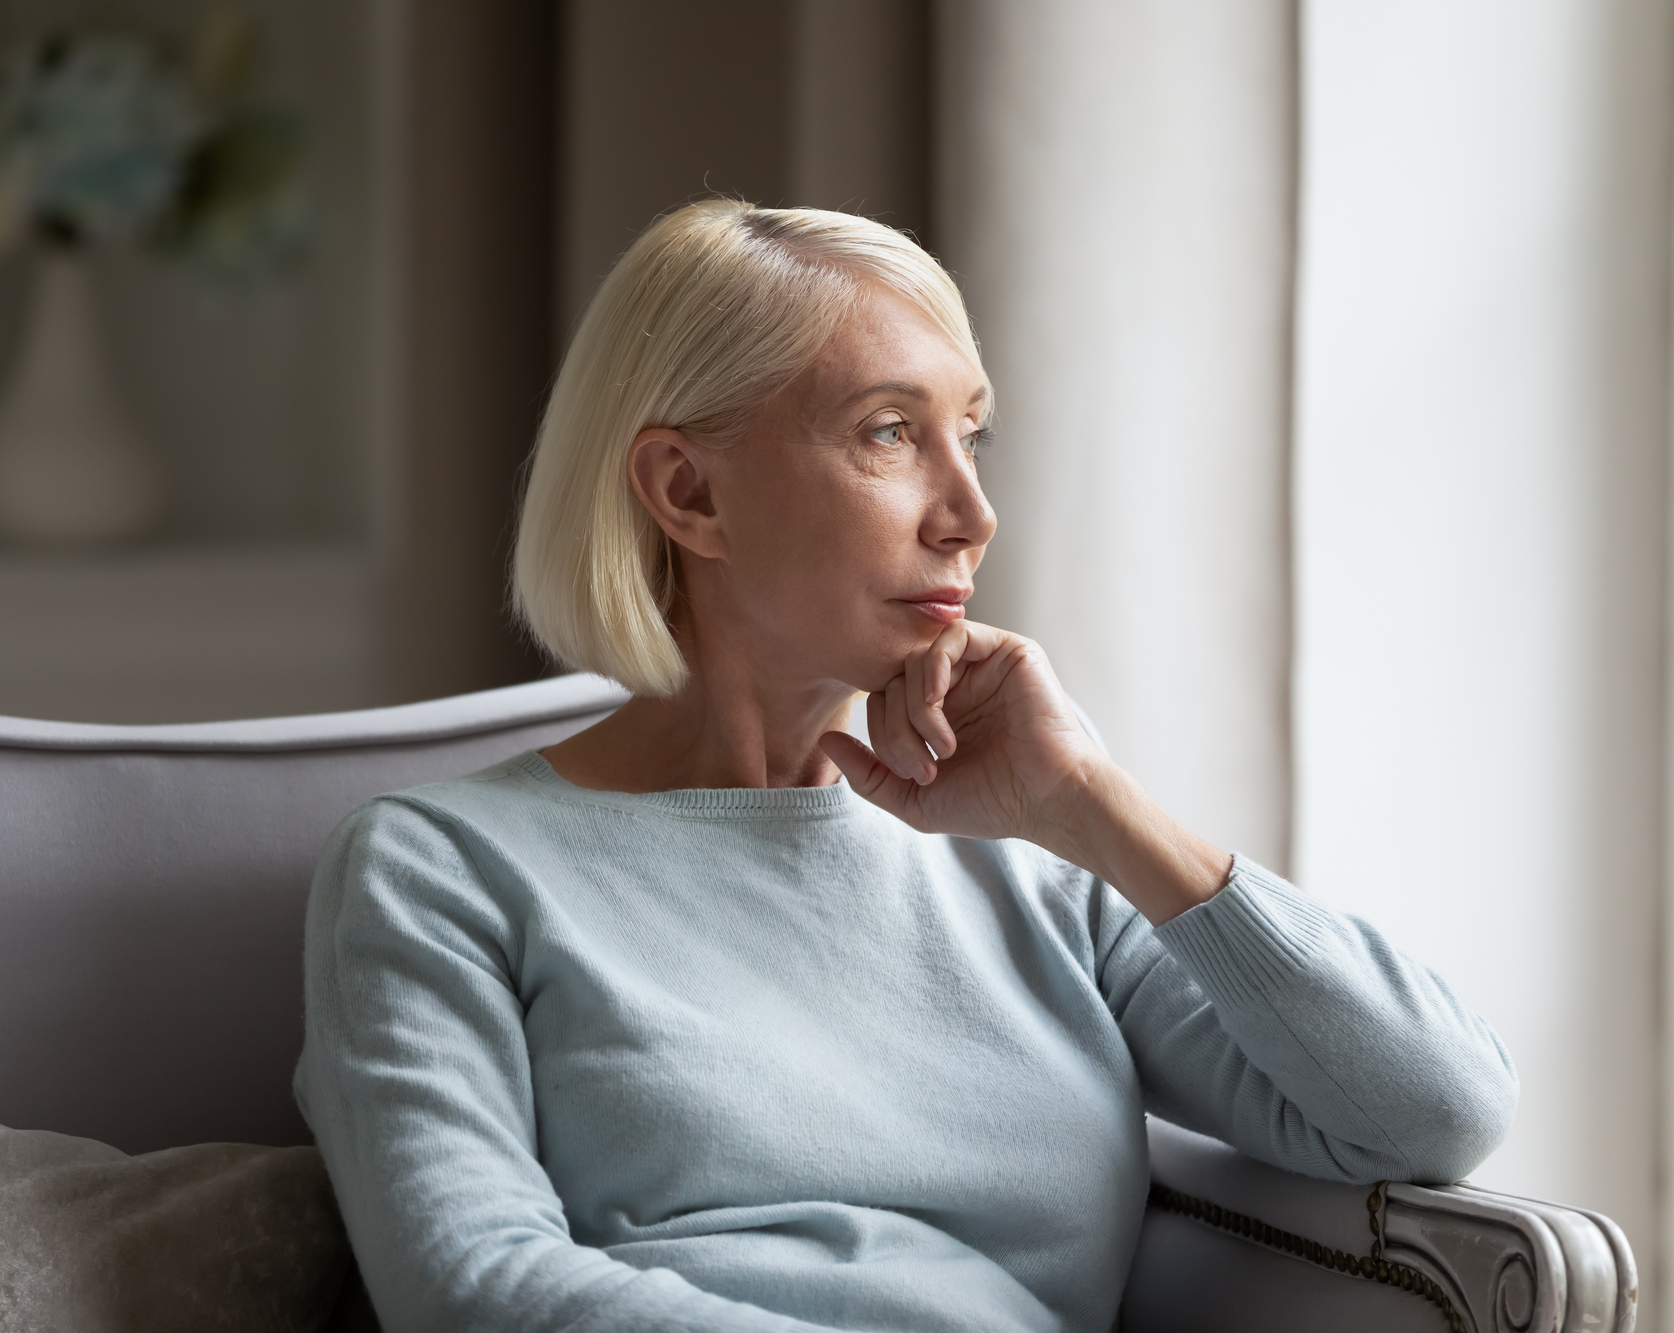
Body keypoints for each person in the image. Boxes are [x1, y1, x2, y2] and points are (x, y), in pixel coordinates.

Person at [293, 199, 1516, 1333]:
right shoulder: (436, 869)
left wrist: (1090, 804)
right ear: (686, 492)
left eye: (970, 433)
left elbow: (1432, 1108)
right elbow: (474, 1290)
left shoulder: (1037, 864)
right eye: (889, 432)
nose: (970, 512)